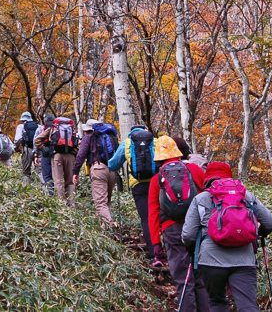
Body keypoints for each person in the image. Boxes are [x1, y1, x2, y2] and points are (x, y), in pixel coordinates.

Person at [181, 162, 272, 312]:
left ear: (207, 178)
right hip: (244, 260)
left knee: (216, 301)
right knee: (247, 305)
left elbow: (188, 235)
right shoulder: (247, 197)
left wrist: (192, 249)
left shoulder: (201, 199)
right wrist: (257, 235)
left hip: (211, 260)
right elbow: (271, 223)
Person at [149, 135, 210, 312]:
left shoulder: (157, 179)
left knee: (183, 280)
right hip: (198, 230)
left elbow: (153, 213)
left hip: (172, 231)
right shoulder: (196, 171)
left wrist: (155, 245)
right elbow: (208, 198)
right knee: (200, 278)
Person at [109, 124, 163, 265]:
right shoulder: (156, 141)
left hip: (138, 185)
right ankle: (167, 249)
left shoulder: (127, 143)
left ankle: (154, 255)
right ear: (146, 131)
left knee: (146, 219)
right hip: (157, 184)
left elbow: (113, 164)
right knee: (162, 216)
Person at [73, 120, 119, 225]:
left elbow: (81, 155)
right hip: (112, 170)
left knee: (100, 203)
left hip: (98, 169)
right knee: (106, 201)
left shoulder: (88, 138)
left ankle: (110, 226)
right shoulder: (110, 137)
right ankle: (104, 230)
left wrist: (75, 171)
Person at [35, 115, 78, 205]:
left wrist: (43, 148)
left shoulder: (52, 129)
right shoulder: (72, 129)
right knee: (70, 182)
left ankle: (61, 204)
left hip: (57, 155)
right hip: (71, 156)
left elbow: (37, 139)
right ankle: (70, 203)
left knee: (58, 181)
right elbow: (78, 143)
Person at [33, 113, 56, 195]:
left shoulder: (42, 129)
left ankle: (50, 194)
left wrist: (38, 152)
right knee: (56, 175)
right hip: (57, 154)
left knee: (46, 175)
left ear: (45, 121)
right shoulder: (58, 128)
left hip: (45, 154)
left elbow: (36, 140)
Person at [14, 112, 39, 183]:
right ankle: (43, 189)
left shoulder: (21, 126)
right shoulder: (38, 126)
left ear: (22, 119)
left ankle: (27, 188)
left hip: (27, 149)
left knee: (26, 172)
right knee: (40, 171)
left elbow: (17, 139)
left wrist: (16, 147)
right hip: (38, 150)